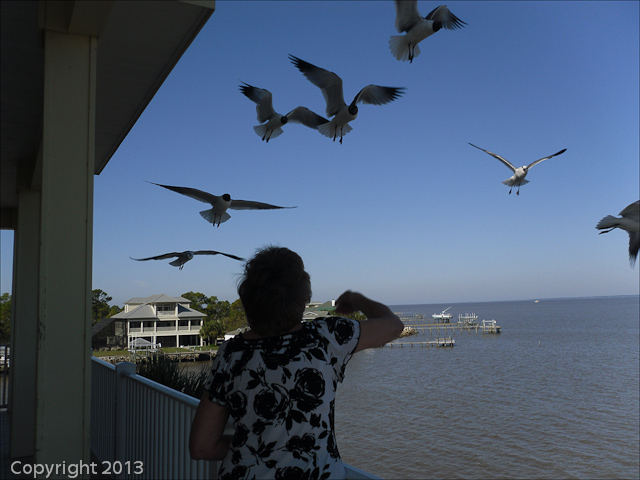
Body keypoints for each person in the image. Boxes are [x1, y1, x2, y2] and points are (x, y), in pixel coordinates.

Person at [189, 246, 404, 479]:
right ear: (303, 297)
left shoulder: (231, 353)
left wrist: (257, 446)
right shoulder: (324, 337)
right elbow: (393, 326)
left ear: (248, 299)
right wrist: (356, 299)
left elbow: (202, 446)